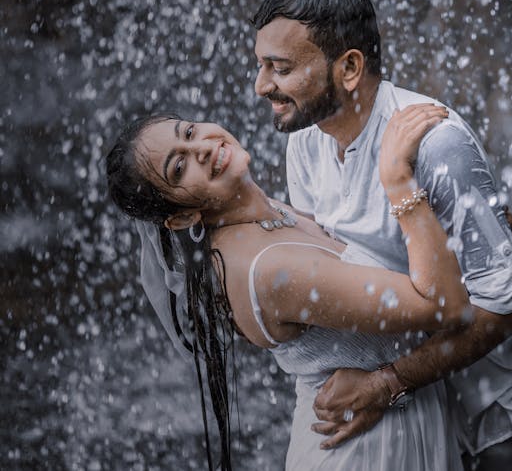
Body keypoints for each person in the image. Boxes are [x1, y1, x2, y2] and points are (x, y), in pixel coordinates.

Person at [251, 0, 512, 470]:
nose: (262, 86)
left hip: (506, 408)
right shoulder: (306, 141)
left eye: (281, 68)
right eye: (261, 66)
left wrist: (387, 383)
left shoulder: (436, 144)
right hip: (423, 406)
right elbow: (334, 269)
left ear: (349, 67)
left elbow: (510, 306)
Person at [106, 105, 469, 470]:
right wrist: (399, 180)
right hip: (366, 453)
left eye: (188, 132)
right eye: (179, 167)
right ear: (184, 216)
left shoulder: (259, 214)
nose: (200, 147)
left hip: (389, 429)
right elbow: (446, 306)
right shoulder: (268, 270)